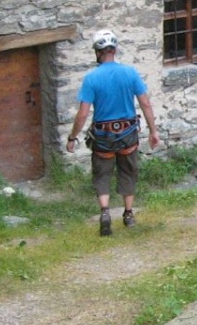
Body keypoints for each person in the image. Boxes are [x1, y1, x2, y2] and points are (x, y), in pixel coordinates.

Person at [66, 30, 162, 236]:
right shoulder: (130, 73)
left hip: (103, 137)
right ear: (115, 50)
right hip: (127, 134)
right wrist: (153, 131)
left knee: (102, 173)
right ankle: (128, 214)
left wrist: (72, 137)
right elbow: (145, 103)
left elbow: (82, 114)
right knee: (128, 172)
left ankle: (105, 211)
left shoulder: (91, 78)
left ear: (97, 52)